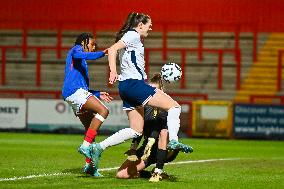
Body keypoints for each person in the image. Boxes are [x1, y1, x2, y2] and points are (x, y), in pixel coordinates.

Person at [90, 12, 192, 175]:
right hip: (134, 84)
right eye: (149, 24)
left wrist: (115, 72)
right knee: (174, 107)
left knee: (136, 130)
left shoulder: (129, 36)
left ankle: (98, 147)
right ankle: (174, 141)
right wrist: (113, 71)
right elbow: (113, 49)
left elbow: (114, 49)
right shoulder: (133, 35)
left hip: (125, 87)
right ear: (140, 25)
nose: (151, 27)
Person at [116, 73, 193, 182]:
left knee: (164, 132)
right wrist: (133, 149)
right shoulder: (143, 108)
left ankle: (158, 170)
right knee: (121, 174)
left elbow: (160, 131)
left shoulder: (167, 109)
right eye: (149, 90)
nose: (151, 94)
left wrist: (150, 143)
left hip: (164, 148)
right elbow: (138, 131)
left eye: (155, 90)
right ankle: (150, 173)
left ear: (161, 91)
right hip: (148, 149)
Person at [61, 33, 113, 177]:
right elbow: (80, 55)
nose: (94, 46)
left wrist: (96, 94)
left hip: (74, 93)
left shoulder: (80, 63)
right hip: (74, 92)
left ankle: (89, 166)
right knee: (103, 110)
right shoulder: (76, 49)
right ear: (83, 42)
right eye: (92, 43)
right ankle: (84, 146)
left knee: (90, 128)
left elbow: (81, 86)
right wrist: (102, 53)